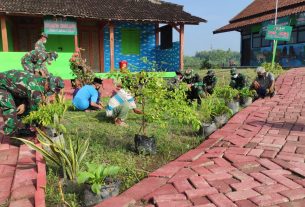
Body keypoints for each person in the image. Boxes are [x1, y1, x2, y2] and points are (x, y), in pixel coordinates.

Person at [0, 70, 53, 136]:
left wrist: (24, 104)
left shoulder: (41, 81)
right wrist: (37, 127)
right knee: (10, 109)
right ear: (47, 84)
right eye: (49, 89)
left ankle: (20, 127)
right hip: (2, 86)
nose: (50, 92)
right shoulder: (35, 88)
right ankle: (11, 134)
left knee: (22, 108)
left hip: (13, 88)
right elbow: (34, 111)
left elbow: (27, 94)